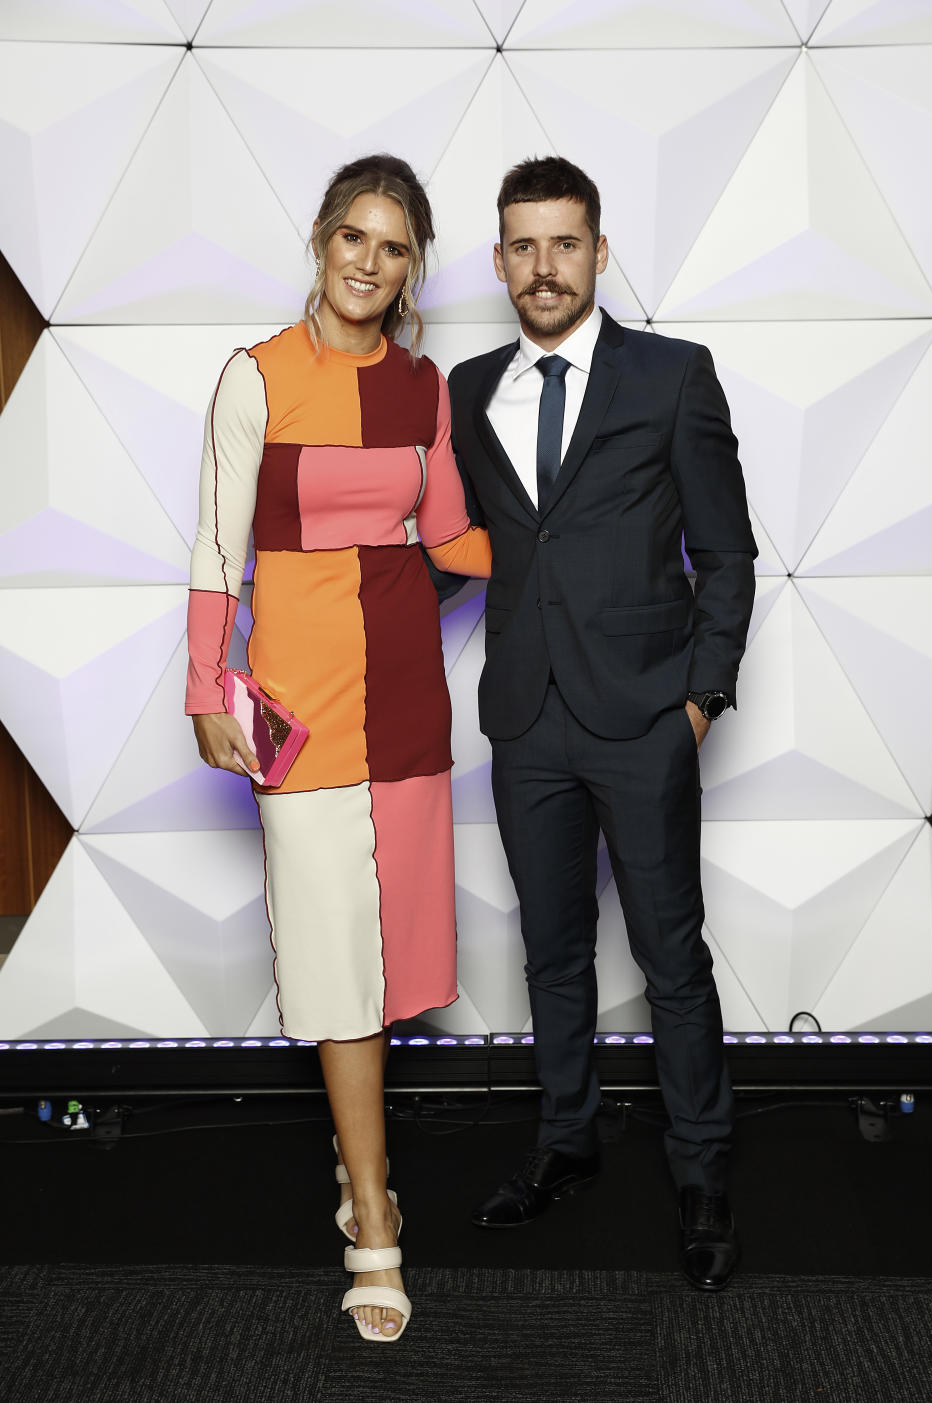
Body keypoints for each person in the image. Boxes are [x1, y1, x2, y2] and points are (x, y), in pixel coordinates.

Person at [185, 154, 491, 1341]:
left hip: (408, 702)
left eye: (395, 245)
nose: (369, 261)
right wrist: (209, 685)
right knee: (334, 961)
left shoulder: (424, 387)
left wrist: (581, 554)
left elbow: (454, 533)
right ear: (320, 241)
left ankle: (362, 1173)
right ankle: (372, 1213)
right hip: (298, 707)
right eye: (353, 237)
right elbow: (218, 548)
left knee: (390, 951)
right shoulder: (255, 378)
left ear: (413, 267)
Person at [447, 157, 756, 1291]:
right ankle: (568, 1139)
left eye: (563, 243)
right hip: (526, 720)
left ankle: (703, 1168)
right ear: (498, 261)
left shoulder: (674, 376)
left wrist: (699, 701)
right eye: (522, 246)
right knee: (551, 950)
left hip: (643, 719)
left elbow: (725, 553)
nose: (544, 266)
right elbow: (461, 552)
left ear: (599, 250)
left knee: (673, 958)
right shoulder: (468, 389)